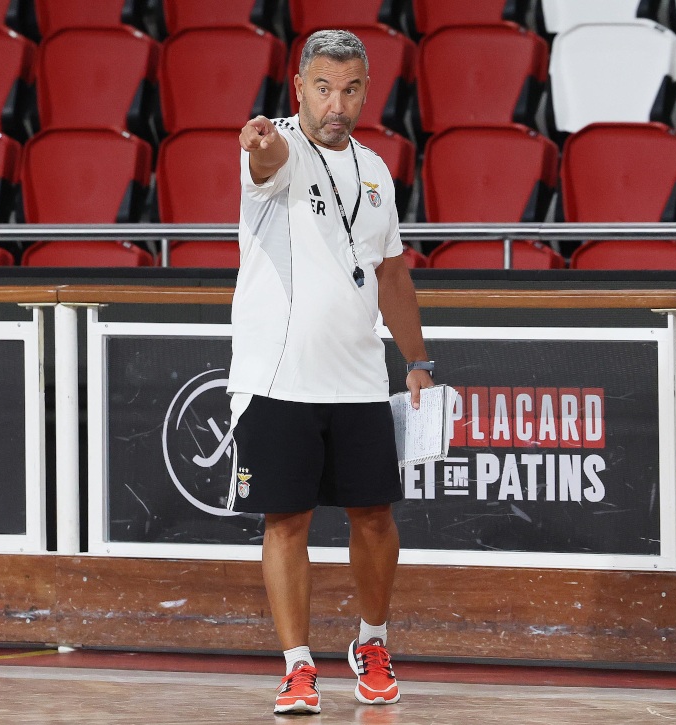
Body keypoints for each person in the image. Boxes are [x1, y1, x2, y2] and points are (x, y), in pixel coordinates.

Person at [227, 29, 434, 715]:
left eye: (349, 89)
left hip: (357, 378)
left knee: (375, 518)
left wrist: (418, 361)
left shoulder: (377, 170)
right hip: (277, 377)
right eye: (322, 87)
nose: (335, 102)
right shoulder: (277, 149)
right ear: (299, 89)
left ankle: (372, 642)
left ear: (366, 91)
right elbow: (268, 162)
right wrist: (259, 145)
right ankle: (296, 666)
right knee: (285, 521)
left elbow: (392, 272)